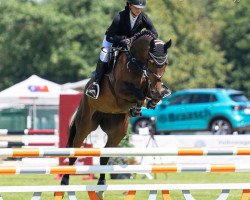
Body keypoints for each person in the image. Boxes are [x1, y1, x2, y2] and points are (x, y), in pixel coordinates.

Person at [85, 0, 158, 99]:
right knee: (105, 53)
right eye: (136, 7)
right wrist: (122, 39)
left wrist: (142, 38)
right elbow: (109, 37)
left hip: (132, 44)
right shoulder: (119, 17)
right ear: (130, 5)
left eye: (141, 8)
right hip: (114, 40)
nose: (139, 10)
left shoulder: (143, 17)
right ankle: (95, 84)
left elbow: (154, 33)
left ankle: (152, 86)